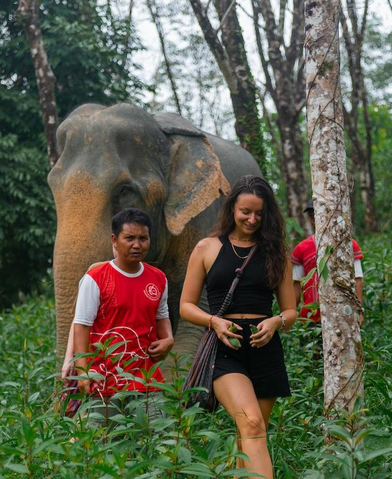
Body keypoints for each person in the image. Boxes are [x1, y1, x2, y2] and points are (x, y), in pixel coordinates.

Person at [180, 175, 296, 479]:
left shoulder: (277, 253)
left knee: (250, 434)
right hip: (225, 346)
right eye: (246, 211)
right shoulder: (207, 248)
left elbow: (291, 310)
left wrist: (276, 321)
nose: (252, 219)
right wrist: (213, 321)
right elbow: (186, 307)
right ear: (232, 208)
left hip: (264, 346)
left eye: (259, 213)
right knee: (253, 424)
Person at [70, 208, 174, 426]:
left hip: (147, 382)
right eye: (130, 238)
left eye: (143, 238)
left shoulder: (158, 279)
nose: (137, 245)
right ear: (114, 240)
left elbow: (162, 318)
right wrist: (82, 370)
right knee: (100, 448)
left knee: (159, 442)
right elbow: (82, 326)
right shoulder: (95, 278)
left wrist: (168, 340)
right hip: (104, 382)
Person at [291, 200, 364, 324]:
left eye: (318, 215)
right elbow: (297, 285)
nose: (315, 220)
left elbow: (357, 279)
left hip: (343, 314)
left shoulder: (348, 245)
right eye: (311, 216)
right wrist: (290, 314)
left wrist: (359, 311)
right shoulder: (302, 248)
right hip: (311, 318)